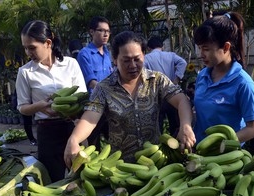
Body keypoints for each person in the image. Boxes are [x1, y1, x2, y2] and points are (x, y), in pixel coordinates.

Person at [64, 31, 196, 168]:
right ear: (115, 60)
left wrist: (185, 126)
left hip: (155, 161)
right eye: (126, 60)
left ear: (144, 56)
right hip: (121, 167)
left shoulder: (157, 80)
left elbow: (181, 100)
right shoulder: (104, 88)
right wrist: (74, 139)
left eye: (137, 59)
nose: (133, 65)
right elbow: (90, 118)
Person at [15, 20, 87, 182]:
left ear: (48, 43)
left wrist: (73, 112)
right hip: (47, 132)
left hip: (73, 129)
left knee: (80, 177)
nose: (28, 52)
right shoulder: (25, 72)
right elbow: (22, 107)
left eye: (32, 47)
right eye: (25, 48)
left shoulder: (71, 64)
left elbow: (82, 96)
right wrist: (40, 106)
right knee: (52, 180)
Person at [193, 12, 254, 145]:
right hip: (198, 152)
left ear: (226, 47)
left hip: (226, 156)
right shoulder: (202, 76)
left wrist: (222, 144)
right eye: (200, 48)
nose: (201, 54)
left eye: (206, 49)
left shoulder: (243, 83)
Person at [76, 16, 113, 148]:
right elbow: (91, 82)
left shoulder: (107, 53)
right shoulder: (84, 54)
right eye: (101, 30)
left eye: (108, 31)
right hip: (94, 108)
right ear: (91, 32)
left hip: (110, 108)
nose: (106, 34)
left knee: (116, 143)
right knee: (94, 146)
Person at [144, 36, 187, 136]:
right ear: (162, 46)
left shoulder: (146, 58)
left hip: (156, 96)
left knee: (157, 126)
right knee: (175, 124)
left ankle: (158, 147)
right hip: (173, 94)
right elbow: (183, 62)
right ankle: (176, 147)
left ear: (149, 48)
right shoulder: (170, 55)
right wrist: (176, 79)